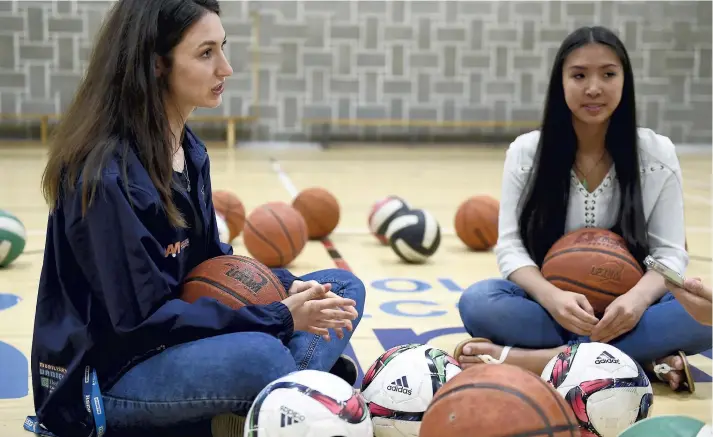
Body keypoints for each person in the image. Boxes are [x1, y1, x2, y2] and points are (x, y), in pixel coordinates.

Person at [26, 1, 366, 437]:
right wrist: (279, 317)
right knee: (264, 356)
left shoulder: (189, 151)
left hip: (176, 339)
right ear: (156, 65)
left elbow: (211, 264)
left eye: (223, 48)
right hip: (107, 379)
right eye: (206, 53)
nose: (226, 68)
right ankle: (293, 389)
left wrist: (287, 287)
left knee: (340, 287)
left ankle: (273, 398)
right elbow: (138, 326)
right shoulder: (105, 177)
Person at [454, 26, 711, 394]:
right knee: (478, 303)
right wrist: (551, 296)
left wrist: (635, 301)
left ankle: (540, 360)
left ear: (626, 81)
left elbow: (670, 252)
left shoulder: (656, 153)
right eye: (579, 75)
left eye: (608, 74)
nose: (594, 88)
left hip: (632, 308)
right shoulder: (527, 153)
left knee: (707, 316)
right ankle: (638, 357)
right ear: (560, 82)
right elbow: (510, 248)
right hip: (554, 307)